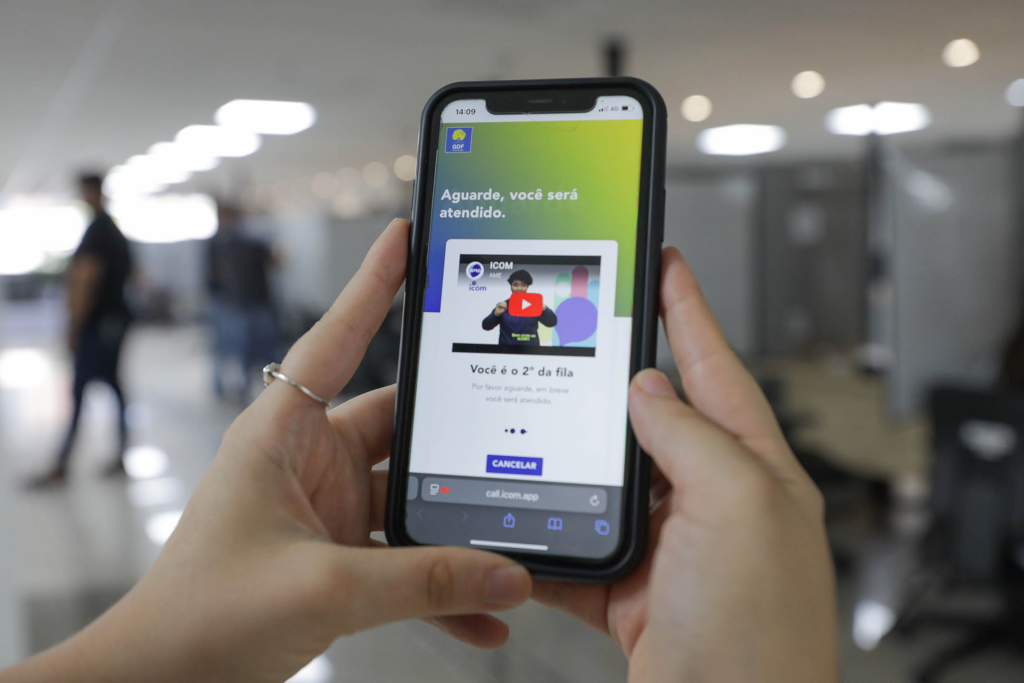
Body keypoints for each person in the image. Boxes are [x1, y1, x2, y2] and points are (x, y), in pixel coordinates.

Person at [1, 219, 838, 682]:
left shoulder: (532, 308)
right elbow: (509, 319)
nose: (519, 291)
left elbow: (542, 320)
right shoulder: (515, 306)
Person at [28, 172, 132, 487]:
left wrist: (74, 324)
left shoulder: (98, 231)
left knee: (80, 390)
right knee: (113, 388)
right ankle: (118, 454)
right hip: (112, 321)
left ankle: (63, 463)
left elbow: (86, 278)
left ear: (93, 191)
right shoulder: (111, 230)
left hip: (98, 325)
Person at [206, 201, 280, 401]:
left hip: (249, 303)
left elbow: (274, 261)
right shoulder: (221, 244)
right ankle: (234, 387)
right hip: (232, 304)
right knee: (233, 349)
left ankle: (246, 388)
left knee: (250, 349)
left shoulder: (247, 242)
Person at [482, 269, 557, 346]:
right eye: (515, 285)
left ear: (527, 286)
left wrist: (545, 309)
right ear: (511, 286)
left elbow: (552, 322)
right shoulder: (503, 306)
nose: (519, 288)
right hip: (506, 351)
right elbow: (486, 326)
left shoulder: (535, 305)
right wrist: (495, 314)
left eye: (523, 285)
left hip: (530, 351)